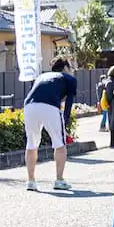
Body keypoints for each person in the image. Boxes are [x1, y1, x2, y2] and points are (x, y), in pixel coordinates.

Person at [23, 57, 77, 192]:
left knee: (31, 144)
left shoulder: (42, 76)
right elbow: (69, 102)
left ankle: (31, 181)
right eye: (71, 67)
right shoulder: (69, 79)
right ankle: (59, 180)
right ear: (65, 68)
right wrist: (66, 122)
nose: (72, 70)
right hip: (50, 106)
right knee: (59, 143)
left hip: (29, 105)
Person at [103, 66, 114, 148]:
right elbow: (109, 96)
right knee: (113, 124)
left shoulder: (113, 81)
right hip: (113, 106)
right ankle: (113, 143)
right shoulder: (110, 82)